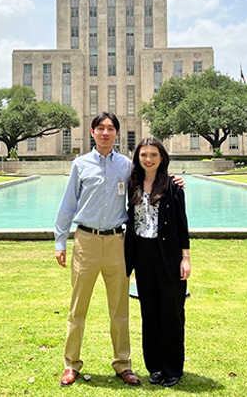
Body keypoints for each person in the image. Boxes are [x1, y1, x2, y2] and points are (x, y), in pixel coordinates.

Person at [54, 112, 141, 387]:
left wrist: (175, 184)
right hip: (86, 242)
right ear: (92, 132)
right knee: (78, 307)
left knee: (119, 308)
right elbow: (68, 204)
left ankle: (123, 364)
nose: (105, 133)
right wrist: (60, 241)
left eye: (111, 129)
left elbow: (146, 189)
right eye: (100, 128)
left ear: (116, 133)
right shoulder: (80, 165)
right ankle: (71, 364)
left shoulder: (126, 166)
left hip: (117, 242)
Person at [124, 137, 190, 388]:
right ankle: (154, 366)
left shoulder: (173, 186)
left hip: (168, 254)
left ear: (162, 157)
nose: (148, 159)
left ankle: (172, 368)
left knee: (172, 312)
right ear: (137, 158)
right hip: (142, 254)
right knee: (149, 312)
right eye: (143, 155)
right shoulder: (132, 184)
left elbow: (182, 224)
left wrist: (185, 258)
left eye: (153, 154)